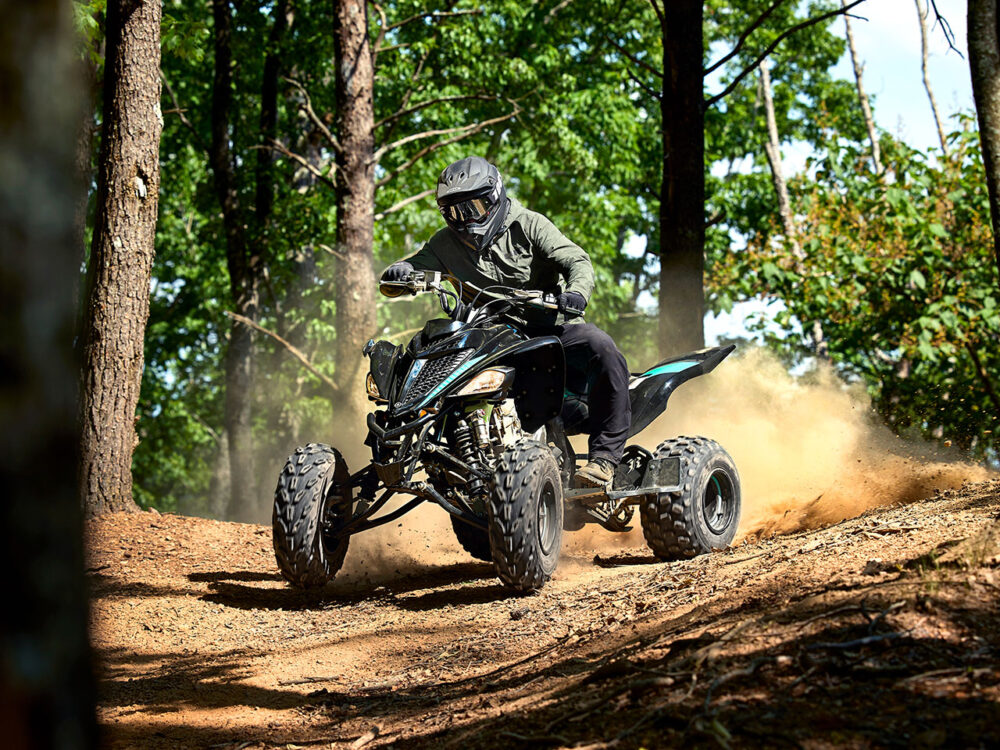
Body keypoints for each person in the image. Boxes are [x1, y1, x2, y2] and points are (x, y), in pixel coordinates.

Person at [379, 156, 631, 488]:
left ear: (495, 197)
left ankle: (604, 461)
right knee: (423, 349)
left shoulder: (530, 224)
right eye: (454, 212)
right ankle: (422, 443)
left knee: (601, 346)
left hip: (548, 328)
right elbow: (401, 276)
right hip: (488, 335)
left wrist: (576, 293)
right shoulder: (443, 243)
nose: (464, 219)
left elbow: (576, 260)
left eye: (473, 207)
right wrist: (402, 272)